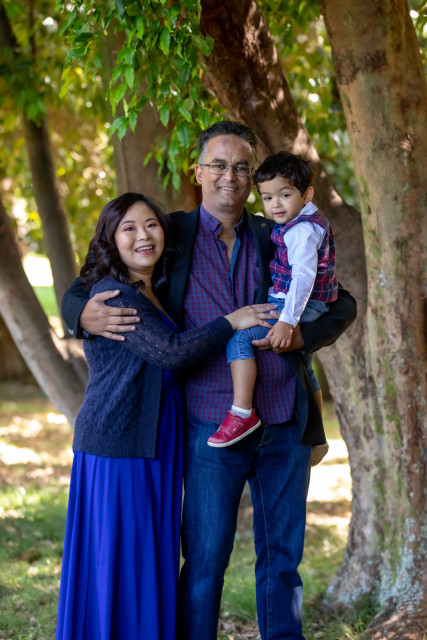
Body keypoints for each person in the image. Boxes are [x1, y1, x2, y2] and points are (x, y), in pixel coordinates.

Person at [62, 121, 357, 640]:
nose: (230, 176)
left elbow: (342, 302)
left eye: (241, 167)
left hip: (282, 419)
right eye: (218, 165)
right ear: (197, 172)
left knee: (282, 563)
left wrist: (299, 338)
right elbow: (96, 274)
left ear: (253, 177)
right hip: (207, 423)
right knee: (202, 562)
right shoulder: (170, 234)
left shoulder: (276, 231)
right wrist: (78, 314)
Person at [55, 191, 274, 640]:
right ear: (110, 240)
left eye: (151, 224)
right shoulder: (115, 295)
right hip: (120, 441)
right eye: (129, 228)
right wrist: (232, 321)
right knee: (123, 556)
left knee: (148, 554)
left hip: (155, 439)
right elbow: (169, 352)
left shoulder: (154, 289)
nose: (143, 235)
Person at [208, 151, 337, 458]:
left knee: (239, 338)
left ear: (307, 195)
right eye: (267, 198)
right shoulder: (302, 223)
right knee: (305, 365)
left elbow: (303, 278)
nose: (275, 204)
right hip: (308, 304)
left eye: (285, 195)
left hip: (297, 306)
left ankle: (241, 412)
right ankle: (316, 434)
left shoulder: (301, 231)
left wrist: (286, 321)